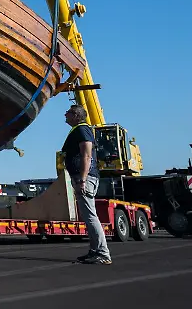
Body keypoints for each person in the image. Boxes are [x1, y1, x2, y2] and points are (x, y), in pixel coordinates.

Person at [62, 104, 111, 265]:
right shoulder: (79, 130)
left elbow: (87, 155)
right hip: (81, 177)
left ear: (76, 115)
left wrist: (82, 179)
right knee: (88, 216)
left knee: (91, 217)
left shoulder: (83, 130)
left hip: (85, 178)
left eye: (68, 112)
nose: (65, 114)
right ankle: (95, 251)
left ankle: (103, 253)